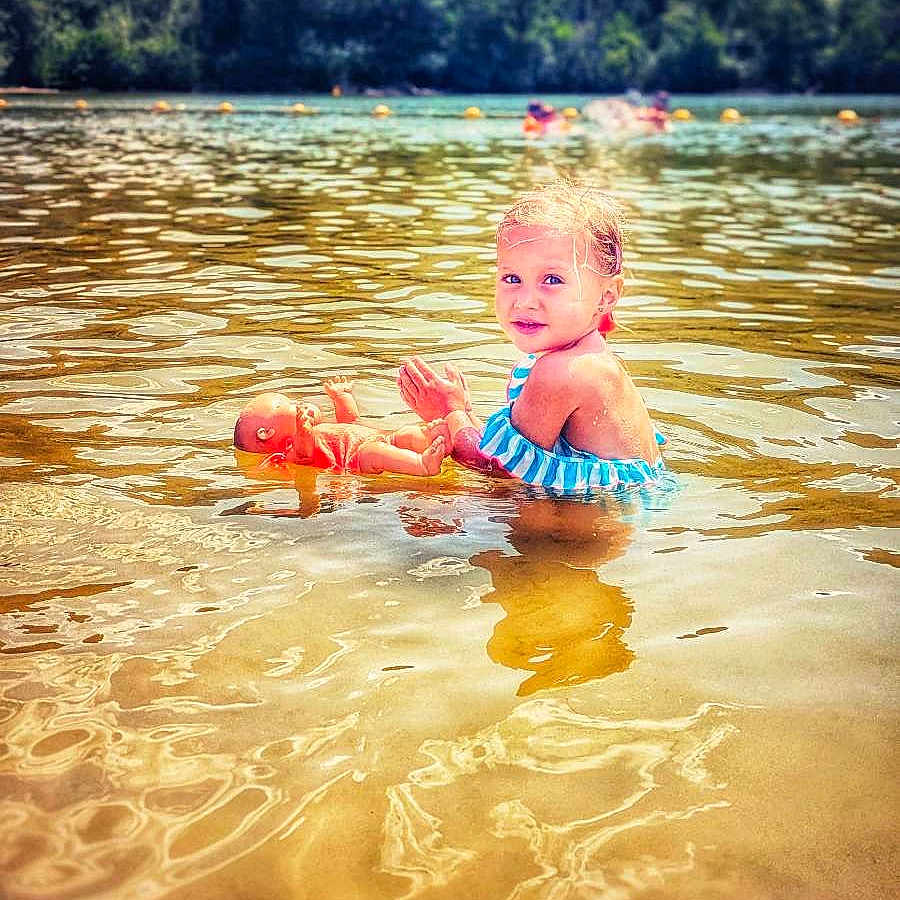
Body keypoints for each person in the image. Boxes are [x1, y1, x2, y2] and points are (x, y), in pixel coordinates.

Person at [398, 179, 669, 493]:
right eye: (512, 278)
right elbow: (513, 456)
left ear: (607, 295)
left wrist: (449, 412)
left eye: (552, 279)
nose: (525, 300)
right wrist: (464, 414)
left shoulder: (559, 373)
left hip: (589, 528)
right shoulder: (590, 357)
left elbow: (496, 471)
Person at [234, 377, 448, 476]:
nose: (297, 403)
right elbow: (305, 453)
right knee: (375, 452)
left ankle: (436, 442)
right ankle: (421, 465)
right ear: (265, 433)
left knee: (406, 434)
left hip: (382, 438)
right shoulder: (290, 454)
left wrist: (342, 397)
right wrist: (303, 432)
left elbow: (350, 421)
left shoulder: (326, 427)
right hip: (357, 459)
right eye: (286, 404)